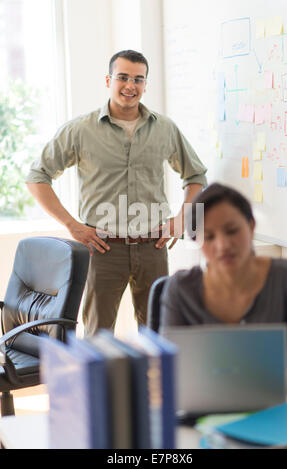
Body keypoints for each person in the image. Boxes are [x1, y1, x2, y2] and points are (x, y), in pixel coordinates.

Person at [26, 49, 207, 335]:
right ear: (109, 80)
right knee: (98, 334)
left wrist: (182, 220)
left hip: (153, 248)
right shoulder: (80, 130)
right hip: (102, 249)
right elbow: (37, 176)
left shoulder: (165, 129)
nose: (130, 86)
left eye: (138, 79)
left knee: (159, 332)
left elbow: (196, 175)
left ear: (145, 85)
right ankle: (102, 382)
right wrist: (72, 225)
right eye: (123, 77)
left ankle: (155, 381)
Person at [160, 182, 287, 391]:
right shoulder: (180, 290)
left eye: (232, 231)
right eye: (209, 237)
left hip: (279, 407)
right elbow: (170, 372)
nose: (223, 245)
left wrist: (238, 388)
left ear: (251, 226)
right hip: (202, 414)